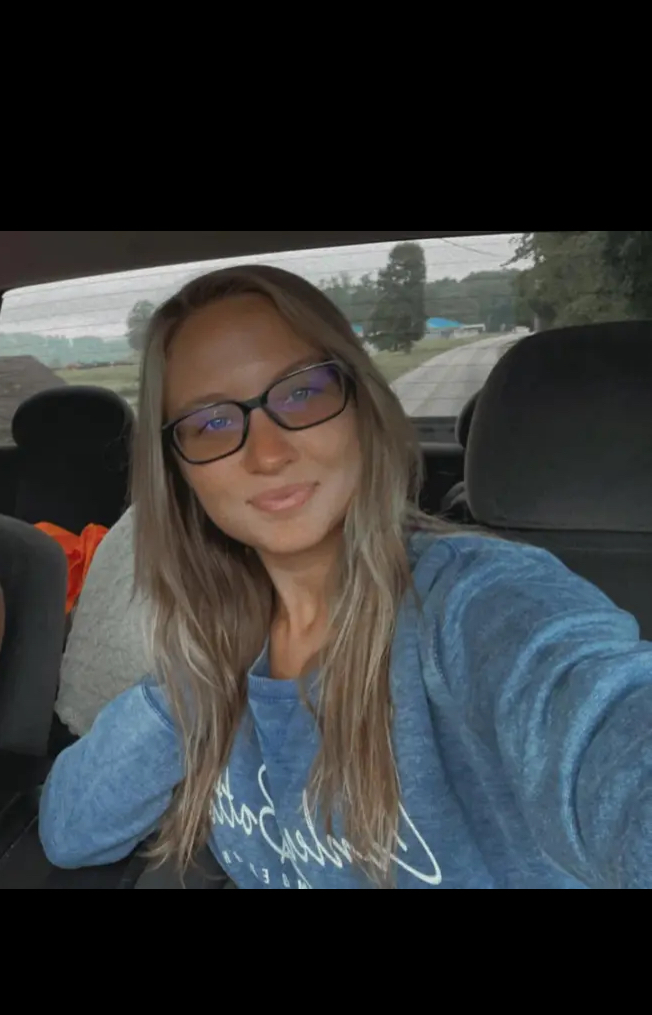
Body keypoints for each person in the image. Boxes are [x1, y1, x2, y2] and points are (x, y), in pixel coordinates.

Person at [39, 265, 652, 889]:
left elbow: (610, 734)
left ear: (360, 404)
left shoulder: (477, 605)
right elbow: (70, 831)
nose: (268, 453)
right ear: (180, 474)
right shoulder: (217, 648)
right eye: (213, 423)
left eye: (302, 392)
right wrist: (194, 679)